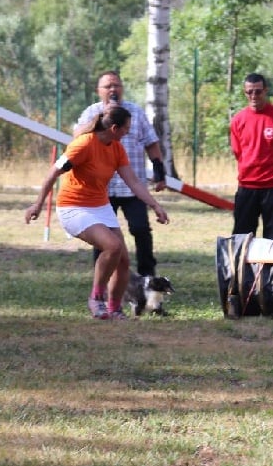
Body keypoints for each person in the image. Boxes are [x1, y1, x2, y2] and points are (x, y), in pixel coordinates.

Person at [25, 105, 169, 320]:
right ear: (114, 128)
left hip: (100, 207)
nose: (128, 132)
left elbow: (133, 182)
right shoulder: (83, 145)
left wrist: (155, 206)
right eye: (126, 128)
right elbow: (53, 172)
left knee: (122, 261)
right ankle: (96, 298)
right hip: (73, 207)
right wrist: (37, 204)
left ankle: (114, 309)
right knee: (112, 246)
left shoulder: (117, 148)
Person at [75, 71, 166, 278]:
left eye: (116, 85)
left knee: (141, 229)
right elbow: (76, 137)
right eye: (107, 86)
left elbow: (151, 142)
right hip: (102, 189)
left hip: (132, 186)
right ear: (99, 91)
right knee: (103, 236)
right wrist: (101, 119)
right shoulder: (92, 112)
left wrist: (159, 169)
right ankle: (103, 278)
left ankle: (147, 275)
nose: (113, 90)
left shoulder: (135, 112)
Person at [229, 73, 273, 241]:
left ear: (265, 91)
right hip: (247, 185)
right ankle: (241, 268)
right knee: (242, 235)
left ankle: (271, 268)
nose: (253, 96)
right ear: (245, 92)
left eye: (258, 91)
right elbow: (238, 152)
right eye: (249, 92)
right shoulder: (239, 120)